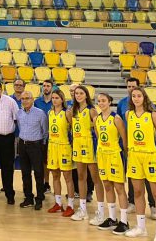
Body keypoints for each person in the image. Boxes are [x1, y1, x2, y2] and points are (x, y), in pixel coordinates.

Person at [125, 87, 156, 241]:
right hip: (135, 156)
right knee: (137, 192)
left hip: (151, 156)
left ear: (144, 98)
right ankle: (141, 227)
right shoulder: (128, 114)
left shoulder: (153, 115)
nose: (136, 98)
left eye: (139, 96)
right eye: (134, 96)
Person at [67, 85, 105, 223]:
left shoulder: (92, 111)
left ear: (86, 95)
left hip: (90, 146)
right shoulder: (72, 111)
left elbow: (98, 131)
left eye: (81, 93)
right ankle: (82, 209)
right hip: (77, 145)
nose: (78, 95)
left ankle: (101, 211)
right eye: (76, 93)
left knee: (95, 179)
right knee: (80, 177)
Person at [118, 77, 155, 216]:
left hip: (147, 148)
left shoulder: (149, 106)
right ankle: (132, 202)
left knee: (149, 177)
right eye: (129, 87)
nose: (131, 89)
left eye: (134, 87)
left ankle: (153, 206)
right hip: (131, 146)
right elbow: (120, 124)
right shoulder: (122, 104)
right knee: (132, 175)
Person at [95, 92, 130, 234]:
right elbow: (98, 137)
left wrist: (125, 154)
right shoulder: (97, 119)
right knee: (107, 186)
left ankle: (124, 220)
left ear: (110, 102)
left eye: (104, 101)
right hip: (102, 155)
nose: (101, 103)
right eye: (99, 101)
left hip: (115, 155)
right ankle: (111, 218)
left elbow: (124, 138)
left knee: (119, 188)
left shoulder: (116, 118)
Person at [46, 88, 76, 217]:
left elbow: (74, 131)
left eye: (57, 98)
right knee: (55, 176)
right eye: (53, 98)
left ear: (62, 99)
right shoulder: (50, 112)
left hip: (64, 147)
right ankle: (58, 203)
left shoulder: (67, 113)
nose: (54, 100)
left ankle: (70, 205)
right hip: (52, 146)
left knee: (68, 177)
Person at [16, 90, 47, 210]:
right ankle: (28, 197)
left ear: (32, 99)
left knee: (39, 173)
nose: (25, 101)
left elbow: (45, 132)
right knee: (25, 173)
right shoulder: (19, 113)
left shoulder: (40, 113)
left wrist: (41, 145)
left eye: (27, 98)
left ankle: (39, 198)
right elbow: (20, 127)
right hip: (23, 145)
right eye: (23, 99)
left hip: (36, 145)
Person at [35, 79, 54, 193]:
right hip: (40, 136)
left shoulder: (56, 101)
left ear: (52, 88)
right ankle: (42, 183)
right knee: (41, 161)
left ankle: (47, 182)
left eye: (48, 86)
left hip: (53, 136)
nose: (46, 88)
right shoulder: (37, 102)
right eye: (44, 86)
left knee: (49, 162)